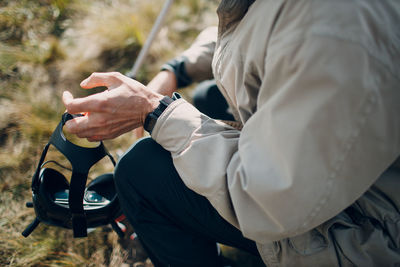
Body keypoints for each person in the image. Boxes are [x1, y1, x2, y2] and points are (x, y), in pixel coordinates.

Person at [62, 1, 400, 266]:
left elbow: (265, 197)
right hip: (348, 182)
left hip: (368, 232)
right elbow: (261, 30)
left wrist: (156, 111)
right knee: (211, 95)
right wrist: (176, 70)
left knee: (141, 171)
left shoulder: (340, 32)